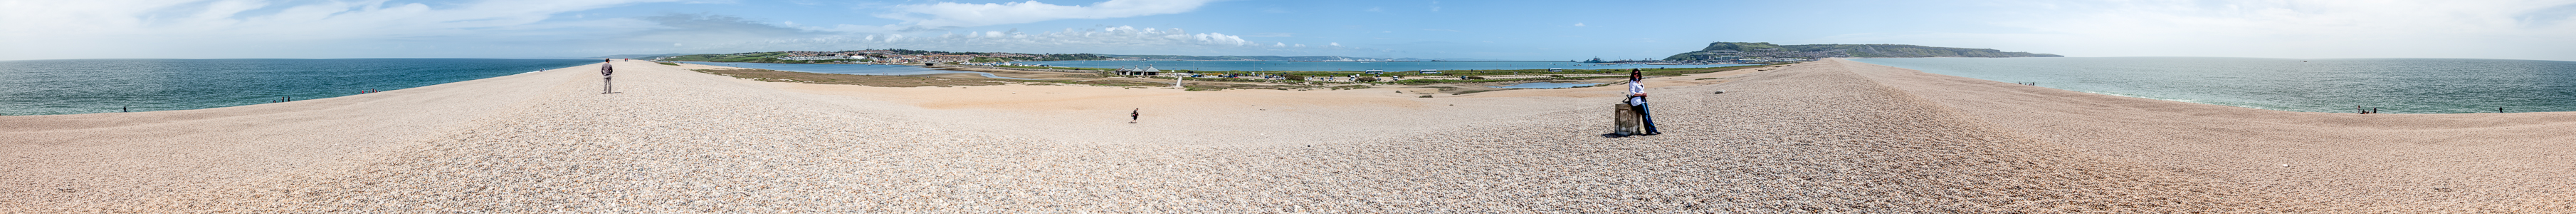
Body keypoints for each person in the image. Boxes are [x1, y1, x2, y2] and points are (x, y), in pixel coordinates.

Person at [1626, 68, 1661, 136]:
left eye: (1638, 74)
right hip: (1636, 101)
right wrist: (1642, 94)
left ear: (1640, 75)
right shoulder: (1632, 82)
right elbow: (1633, 93)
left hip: (1643, 99)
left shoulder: (1640, 81)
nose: (1636, 75)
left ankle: (1654, 130)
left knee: (1648, 114)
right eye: (1635, 74)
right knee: (1645, 115)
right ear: (1633, 75)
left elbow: (1641, 91)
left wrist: (1644, 94)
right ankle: (1649, 131)